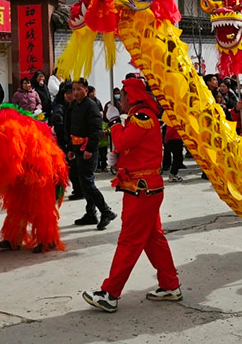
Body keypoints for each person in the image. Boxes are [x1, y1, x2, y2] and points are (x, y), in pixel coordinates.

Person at [83, 77, 181, 313]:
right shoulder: (142, 117)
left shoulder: (141, 118)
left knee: (129, 240)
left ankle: (110, 293)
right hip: (144, 188)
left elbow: (122, 139)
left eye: (122, 96)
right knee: (153, 239)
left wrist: (115, 121)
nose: (120, 100)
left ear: (131, 97)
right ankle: (170, 285)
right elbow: (129, 147)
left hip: (141, 190)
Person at [68, 78, 116, 229]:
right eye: (73, 89)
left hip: (88, 150)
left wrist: (89, 148)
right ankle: (91, 213)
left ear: (86, 90)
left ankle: (105, 211)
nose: (75, 93)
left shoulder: (91, 106)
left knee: (88, 183)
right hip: (77, 148)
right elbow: (71, 128)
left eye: (78, 89)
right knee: (83, 183)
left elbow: (96, 131)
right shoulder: (75, 106)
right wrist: (70, 148)